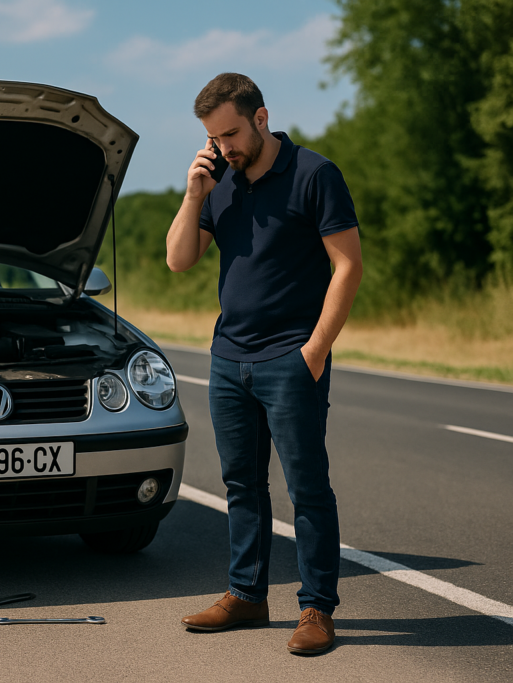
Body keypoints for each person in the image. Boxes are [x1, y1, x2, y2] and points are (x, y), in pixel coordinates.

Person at [167, 73, 362, 655]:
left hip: (291, 358)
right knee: (242, 486)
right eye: (213, 137)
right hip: (229, 360)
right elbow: (179, 259)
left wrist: (314, 352)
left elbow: (348, 266)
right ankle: (247, 595)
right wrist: (195, 193)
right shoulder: (219, 182)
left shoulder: (314, 174)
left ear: (261, 118)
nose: (223, 146)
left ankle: (317, 608)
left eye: (230, 133)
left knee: (308, 488)